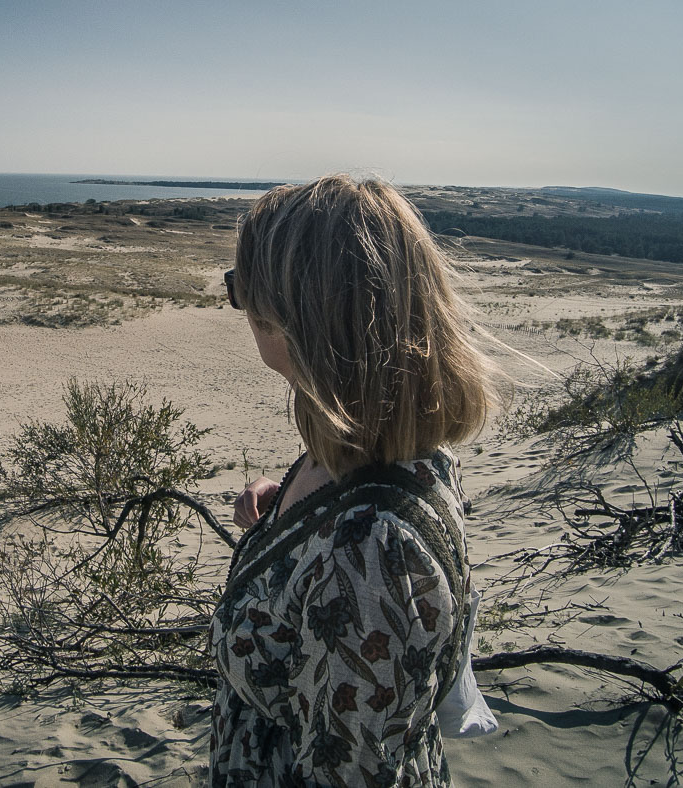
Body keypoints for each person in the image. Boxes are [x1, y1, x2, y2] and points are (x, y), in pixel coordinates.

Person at [210, 175, 496, 787]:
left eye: (248, 294)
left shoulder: (372, 556)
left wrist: (326, 542)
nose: (240, 306)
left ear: (309, 321)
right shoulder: (391, 448)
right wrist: (288, 515)